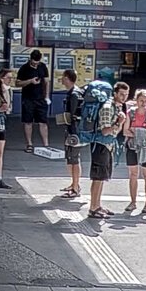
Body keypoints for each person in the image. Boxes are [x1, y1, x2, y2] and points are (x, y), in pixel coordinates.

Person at [88, 81, 129, 219]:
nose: (124, 97)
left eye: (126, 95)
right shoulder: (108, 107)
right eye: (121, 94)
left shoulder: (117, 107)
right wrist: (119, 122)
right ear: (115, 94)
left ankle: (97, 205)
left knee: (102, 177)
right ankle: (93, 208)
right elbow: (105, 131)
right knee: (97, 178)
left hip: (107, 145)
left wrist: (119, 122)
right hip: (101, 145)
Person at [123, 89, 146, 214]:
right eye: (141, 100)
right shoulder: (130, 113)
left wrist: (134, 130)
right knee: (133, 175)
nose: (143, 103)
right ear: (136, 100)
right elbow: (124, 131)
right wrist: (140, 130)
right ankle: (133, 202)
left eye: (145, 101)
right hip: (132, 146)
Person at [16, 49, 50, 153]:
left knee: (43, 122)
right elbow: (17, 83)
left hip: (40, 98)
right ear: (30, 59)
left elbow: (46, 82)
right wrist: (30, 81)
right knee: (28, 122)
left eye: (37, 63)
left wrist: (47, 96)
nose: (35, 65)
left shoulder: (43, 67)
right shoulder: (24, 68)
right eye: (34, 63)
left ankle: (46, 144)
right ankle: (29, 144)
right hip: (28, 98)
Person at [59, 69, 83, 199]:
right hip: (73, 130)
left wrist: (62, 119)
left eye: (63, 77)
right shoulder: (75, 93)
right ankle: (74, 184)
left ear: (67, 78)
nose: (61, 79)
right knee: (70, 158)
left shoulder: (74, 94)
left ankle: (75, 187)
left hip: (74, 131)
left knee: (74, 158)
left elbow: (72, 115)